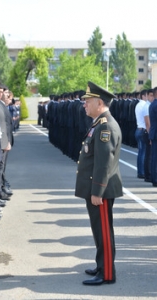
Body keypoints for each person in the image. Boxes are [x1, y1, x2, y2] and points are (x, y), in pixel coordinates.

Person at [75, 81, 123, 286]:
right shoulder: (99, 124)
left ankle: (107, 273)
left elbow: (104, 163)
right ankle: (101, 265)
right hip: (97, 188)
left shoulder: (105, 127)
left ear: (99, 103)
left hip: (100, 190)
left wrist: (97, 191)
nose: (85, 105)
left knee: (103, 230)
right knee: (99, 229)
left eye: (88, 101)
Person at [148, 86, 157, 187]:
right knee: (155, 158)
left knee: (154, 157)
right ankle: (155, 179)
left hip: (154, 133)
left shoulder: (152, 104)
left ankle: (154, 178)